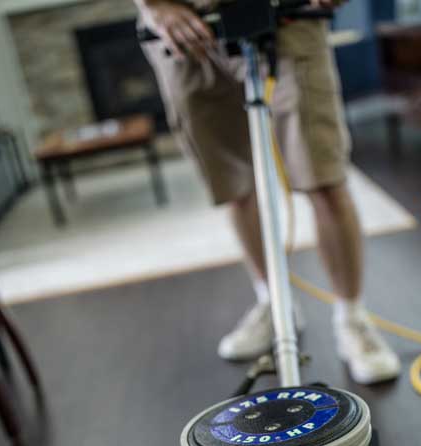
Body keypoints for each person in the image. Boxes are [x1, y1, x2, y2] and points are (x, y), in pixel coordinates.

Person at [135, 0, 401, 384]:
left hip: (288, 16)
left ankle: (352, 318)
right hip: (182, 28)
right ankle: (274, 305)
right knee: (235, 183)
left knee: (322, 173)